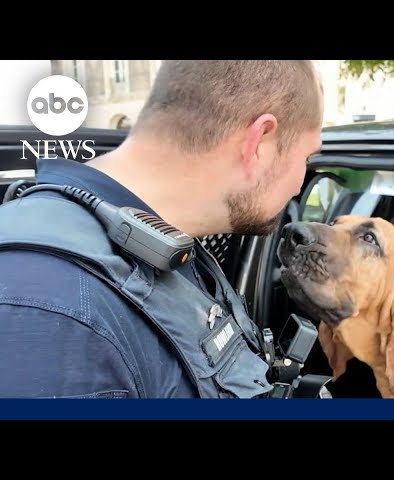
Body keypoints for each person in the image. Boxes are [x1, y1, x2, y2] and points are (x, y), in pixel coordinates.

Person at [0, 60, 324, 398]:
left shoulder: (167, 248)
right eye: (306, 158)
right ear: (259, 142)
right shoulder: (49, 306)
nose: (300, 184)